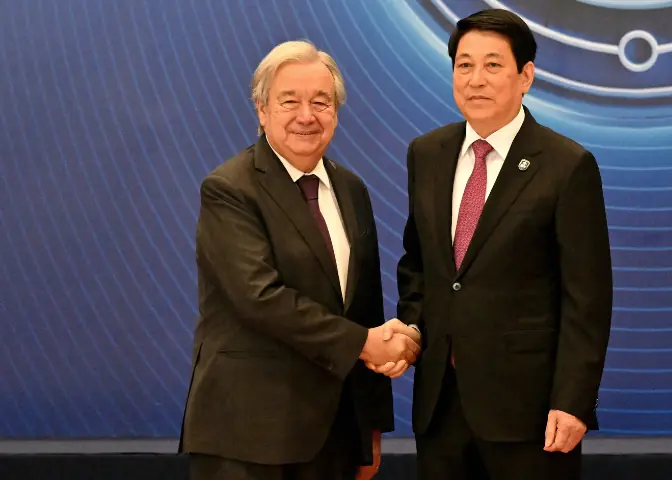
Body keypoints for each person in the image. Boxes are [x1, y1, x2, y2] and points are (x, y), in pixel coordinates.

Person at [178, 40, 420, 480]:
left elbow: (364, 308)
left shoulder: (351, 189)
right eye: (290, 101)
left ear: (336, 112)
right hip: (249, 438)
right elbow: (259, 298)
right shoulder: (230, 189)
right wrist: (365, 343)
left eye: (321, 102)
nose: (307, 116)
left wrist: (370, 428)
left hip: (335, 438)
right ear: (261, 109)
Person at [389, 8, 614, 479]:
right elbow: (419, 262)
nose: (476, 79)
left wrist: (572, 402)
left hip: (528, 414)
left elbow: (587, 299)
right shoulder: (426, 154)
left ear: (525, 76)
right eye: (464, 65)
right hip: (440, 406)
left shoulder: (566, 165)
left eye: (493, 65)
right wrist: (412, 326)